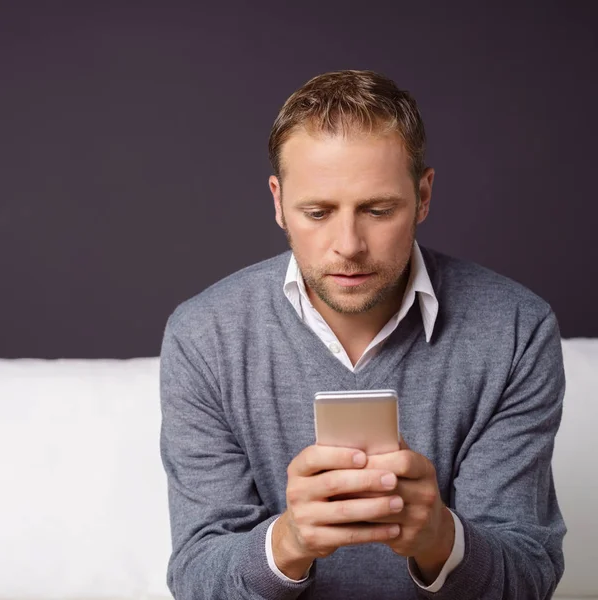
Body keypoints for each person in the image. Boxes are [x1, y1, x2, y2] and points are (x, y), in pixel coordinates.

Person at [159, 69, 566, 599]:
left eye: (378, 210)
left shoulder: (515, 330)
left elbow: (528, 577)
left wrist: (442, 540)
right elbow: (197, 579)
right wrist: (287, 543)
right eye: (317, 212)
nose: (348, 245)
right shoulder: (203, 337)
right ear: (278, 202)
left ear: (423, 196)